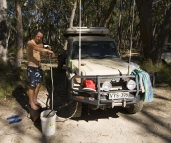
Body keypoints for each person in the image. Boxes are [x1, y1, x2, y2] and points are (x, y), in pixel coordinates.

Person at [26, 29, 55, 110]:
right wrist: (46, 50)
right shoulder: (30, 43)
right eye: (38, 36)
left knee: (39, 84)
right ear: (35, 35)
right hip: (31, 67)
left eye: (40, 37)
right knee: (32, 86)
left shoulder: (41, 44)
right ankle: (31, 103)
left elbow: (44, 54)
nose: (39, 38)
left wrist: (48, 50)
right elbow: (36, 48)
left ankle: (34, 100)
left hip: (38, 67)